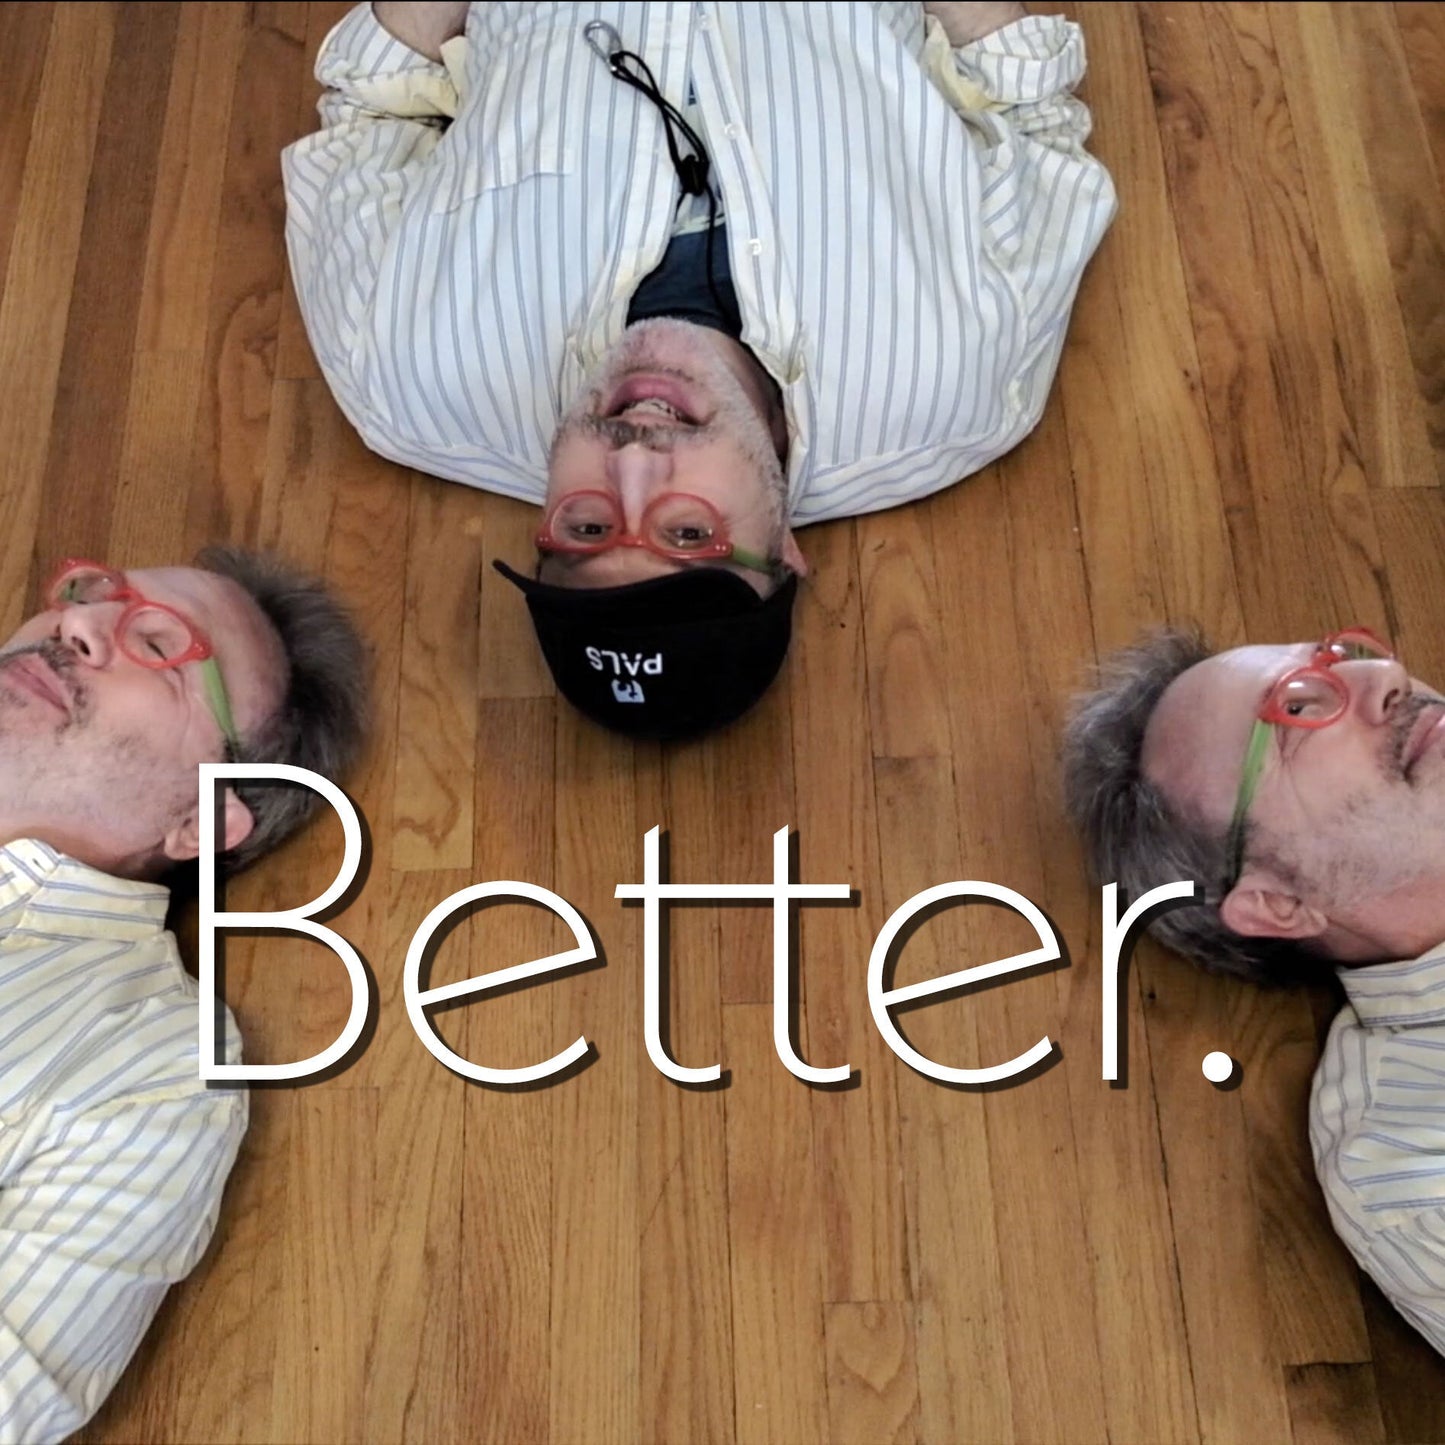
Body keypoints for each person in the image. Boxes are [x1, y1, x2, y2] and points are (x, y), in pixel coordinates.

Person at [283, 0, 1116, 737]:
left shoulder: (403, 373)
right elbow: (1032, 119)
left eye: (587, 527)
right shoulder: (957, 381)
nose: (634, 460)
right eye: (687, 533)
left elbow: (364, 117)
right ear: (783, 550)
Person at [0, 547, 367, 1441]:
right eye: (90, 594)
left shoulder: (152, 1065)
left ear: (201, 819)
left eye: (160, 646)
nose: (73, 624)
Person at [1062, 627, 1445, 1358]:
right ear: (1277, 904)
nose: (1388, 675)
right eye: (1297, 711)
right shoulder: (1409, 1172)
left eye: (1344, 656)